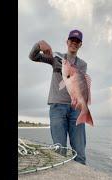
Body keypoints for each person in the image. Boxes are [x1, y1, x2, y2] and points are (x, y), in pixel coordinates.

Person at [28, 29, 88, 165]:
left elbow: (80, 86)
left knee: (80, 152)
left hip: (76, 108)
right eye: (72, 40)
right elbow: (33, 56)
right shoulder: (56, 58)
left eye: (77, 41)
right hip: (57, 107)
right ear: (67, 42)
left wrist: (81, 103)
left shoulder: (83, 65)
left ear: (80, 45)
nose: (74, 42)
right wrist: (39, 44)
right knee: (59, 151)